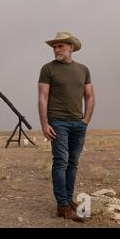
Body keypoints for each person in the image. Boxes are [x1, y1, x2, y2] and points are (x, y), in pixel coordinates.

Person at [38, 31, 95, 222]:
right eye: (54, 46)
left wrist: (85, 119)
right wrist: (44, 124)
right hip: (58, 122)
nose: (56, 49)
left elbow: (89, 95)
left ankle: (69, 200)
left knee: (73, 162)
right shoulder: (48, 69)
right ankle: (62, 205)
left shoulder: (83, 69)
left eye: (60, 46)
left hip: (78, 123)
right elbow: (43, 97)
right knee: (61, 161)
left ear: (71, 47)